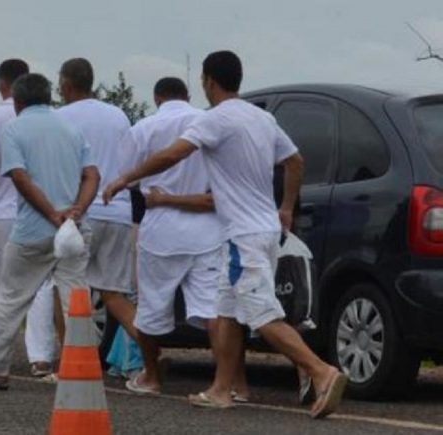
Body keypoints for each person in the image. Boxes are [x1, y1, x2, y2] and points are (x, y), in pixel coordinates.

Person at [104, 51, 347, 418]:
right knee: (226, 311)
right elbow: (295, 161)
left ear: (209, 82)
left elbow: (173, 156)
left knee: (261, 313)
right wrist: (285, 208)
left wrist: (127, 178)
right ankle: (221, 389)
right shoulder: (262, 118)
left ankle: (321, 371)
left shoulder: (216, 120)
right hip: (259, 230)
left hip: (242, 236)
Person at [117, 77, 249, 399]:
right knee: (215, 312)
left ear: (156, 98)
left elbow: (128, 176)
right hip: (207, 228)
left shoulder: (143, 129)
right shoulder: (208, 122)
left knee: (150, 308)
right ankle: (229, 383)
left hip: (160, 229)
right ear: (188, 95)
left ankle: (151, 376)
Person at [0, 73, 99, 390]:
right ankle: (83, 369)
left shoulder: (15, 128)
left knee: (12, 299)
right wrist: (76, 209)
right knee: (75, 300)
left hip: (33, 230)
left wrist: (52, 214)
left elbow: (20, 178)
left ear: (17, 101)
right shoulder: (71, 128)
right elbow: (92, 174)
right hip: (74, 229)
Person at [0, 59, 58, 377]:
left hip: (6, 212)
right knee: (41, 286)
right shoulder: (51, 119)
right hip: (44, 211)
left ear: (2, 85)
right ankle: (40, 357)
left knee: (1, 287)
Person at [56, 58, 137, 342]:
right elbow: (130, 162)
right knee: (113, 294)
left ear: (65, 85)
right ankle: (149, 353)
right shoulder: (118, 116)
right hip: (119, 212)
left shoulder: (62, 117)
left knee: (67, 287)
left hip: (81, 214)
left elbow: (63, 168)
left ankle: (71, 357)